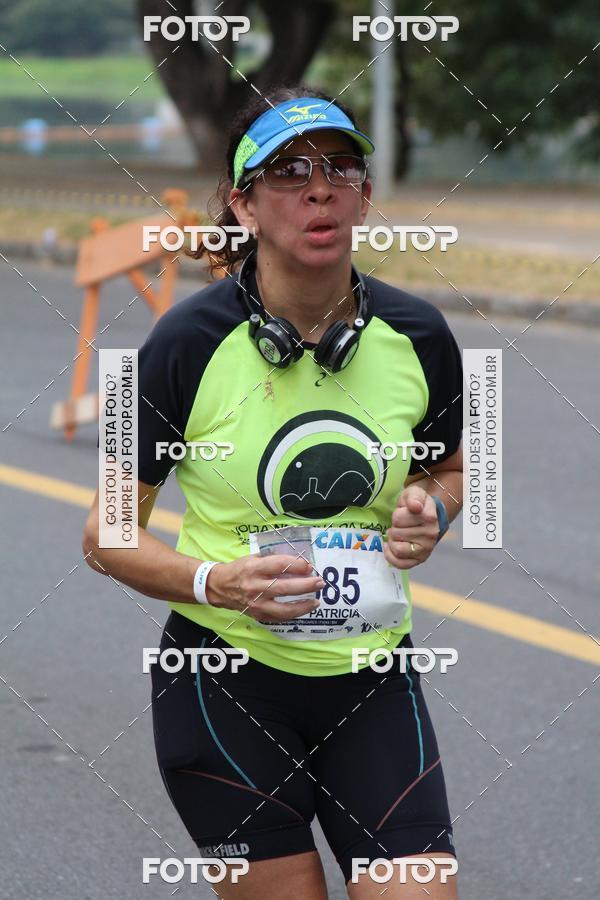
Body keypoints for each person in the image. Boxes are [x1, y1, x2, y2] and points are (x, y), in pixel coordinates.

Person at [83, 84, 464, 899]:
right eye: (288, 170)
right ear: (243, 205)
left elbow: (460, 469)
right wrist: (212, 582)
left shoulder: (423, 335)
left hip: (372, 675)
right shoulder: (180, 344)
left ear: (365, 195)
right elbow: (104, 532)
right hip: (225, 684)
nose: (319, 187)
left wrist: (433, 510)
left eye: (340, 166)